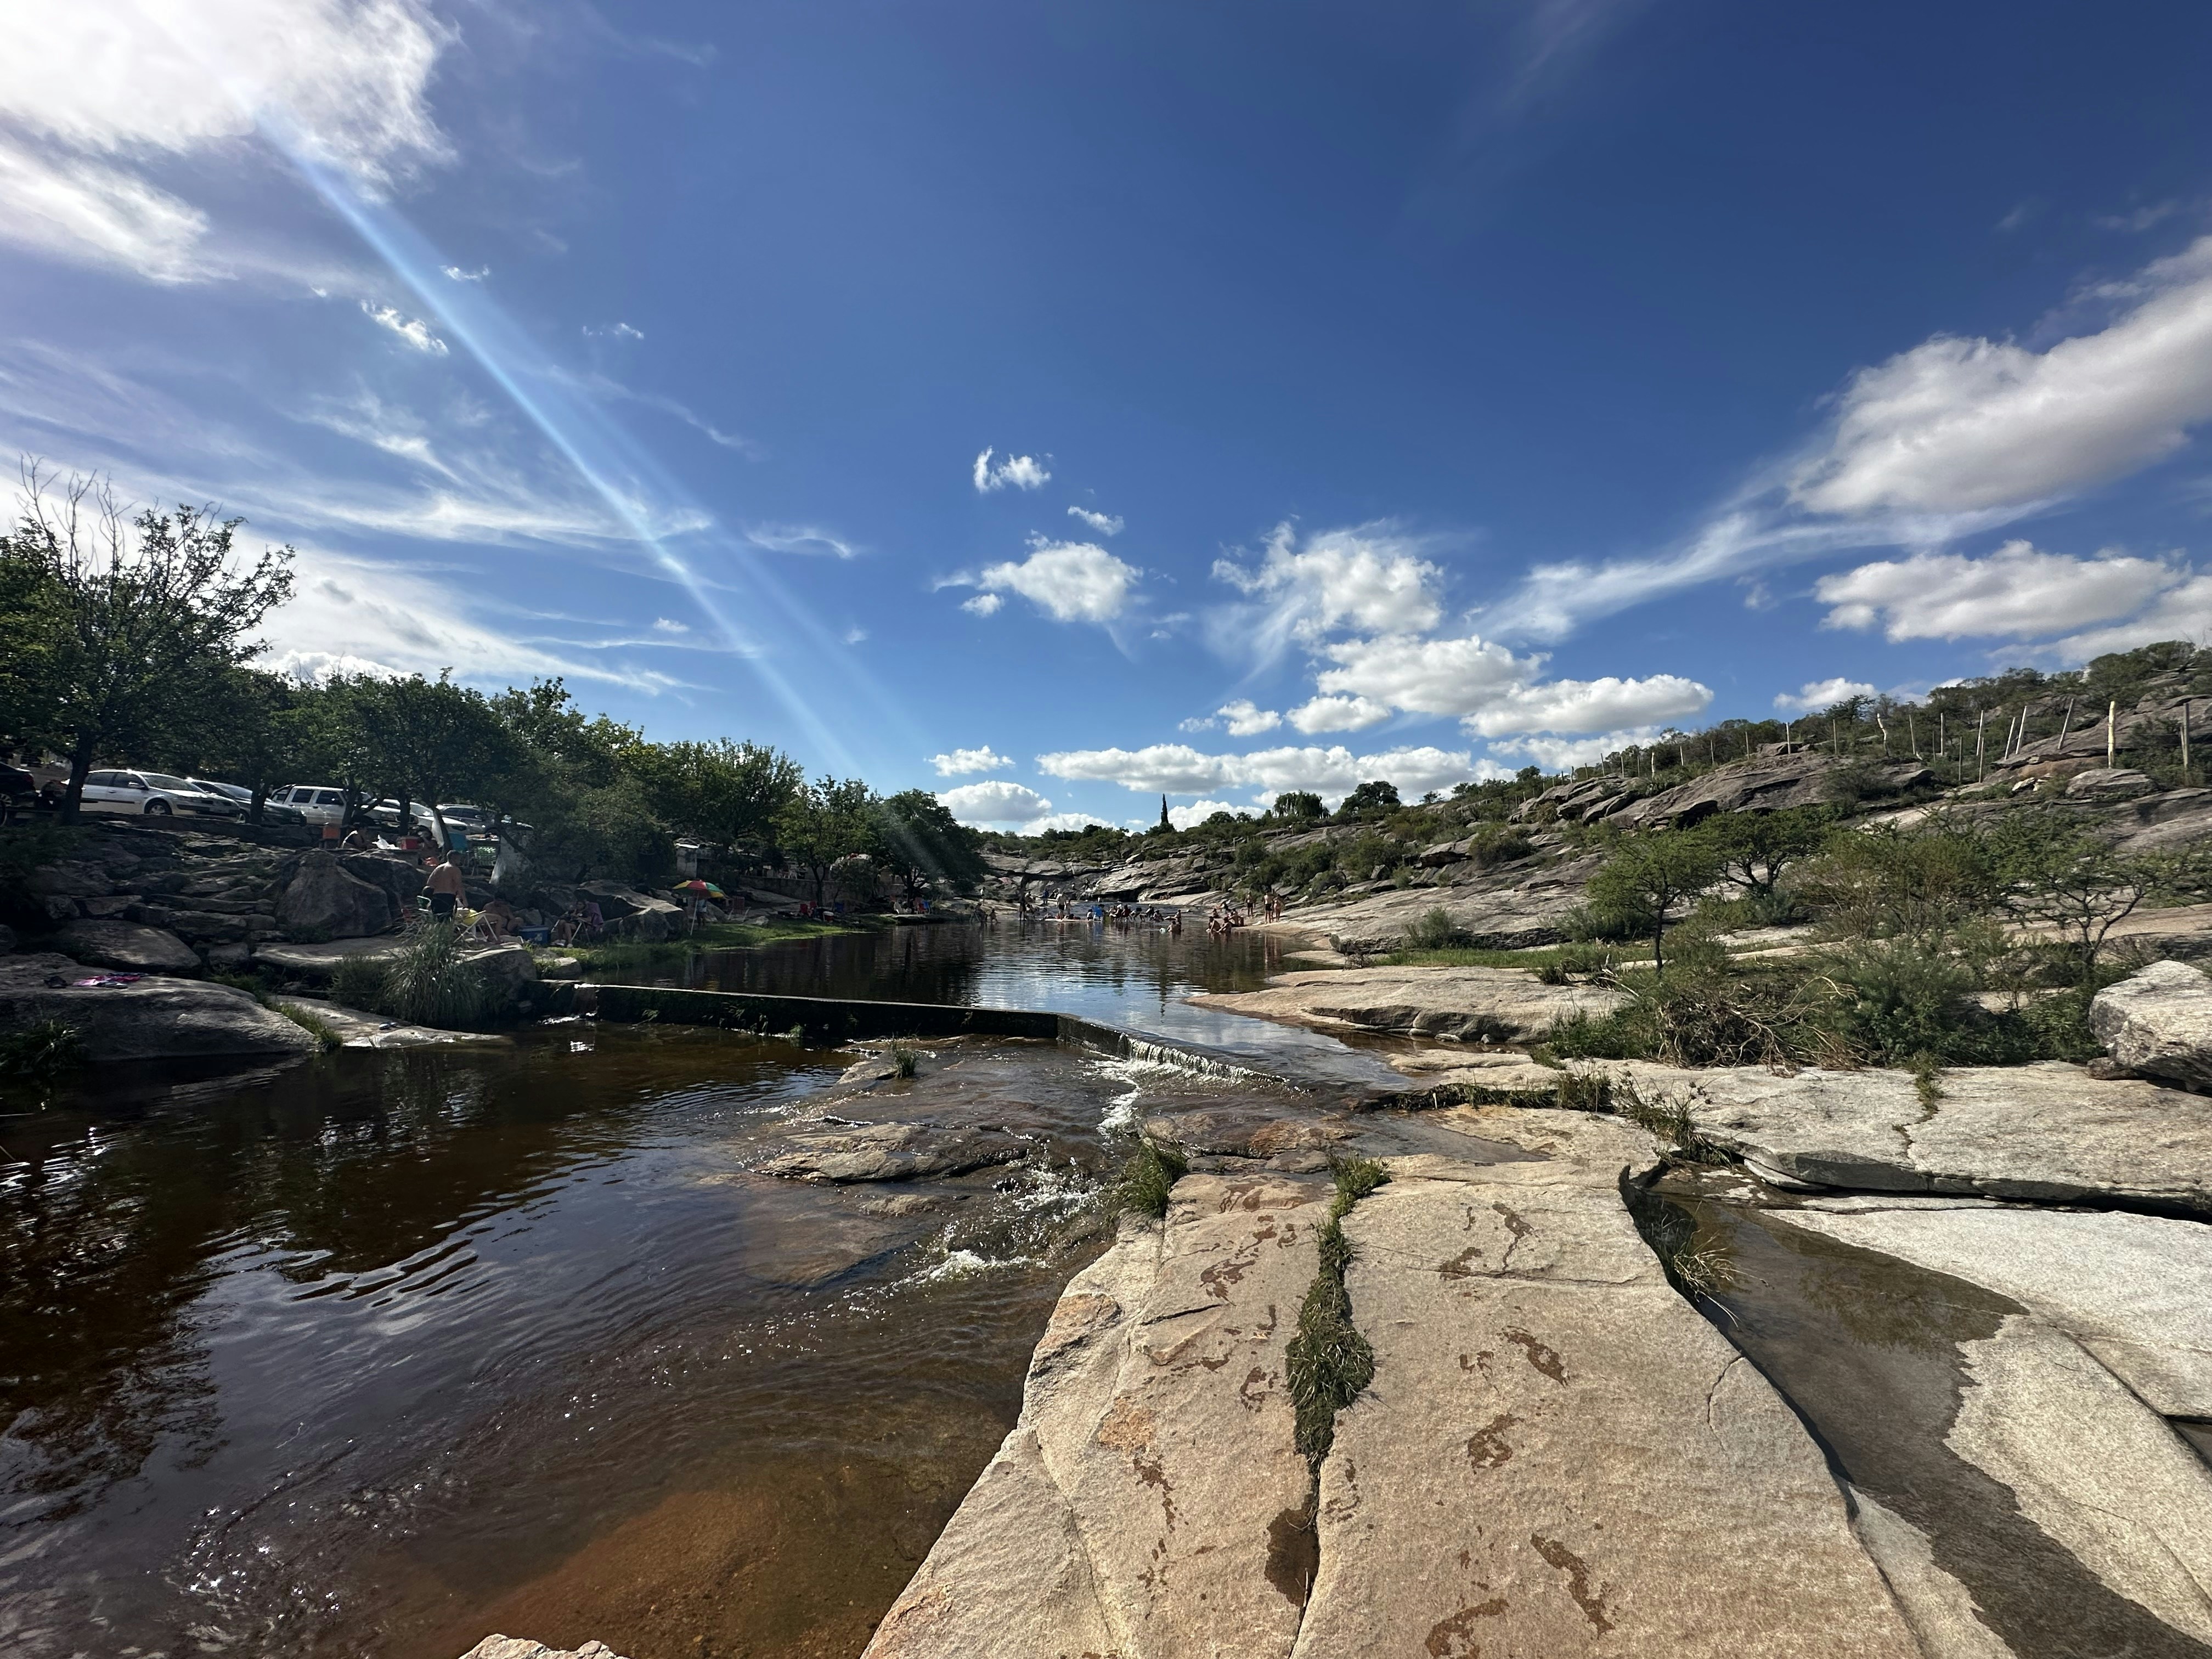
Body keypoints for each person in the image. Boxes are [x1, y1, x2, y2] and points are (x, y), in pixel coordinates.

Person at [425, 849, 466, 921]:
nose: (461, 860)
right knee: (446, 921)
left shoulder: (438, 868)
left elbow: (429, 883)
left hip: (436, 897)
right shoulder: (455, 870)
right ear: (453, 858)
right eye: (459, 858)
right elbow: (459, 885)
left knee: (437, 920)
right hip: (448, 897)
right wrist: (465, 900)